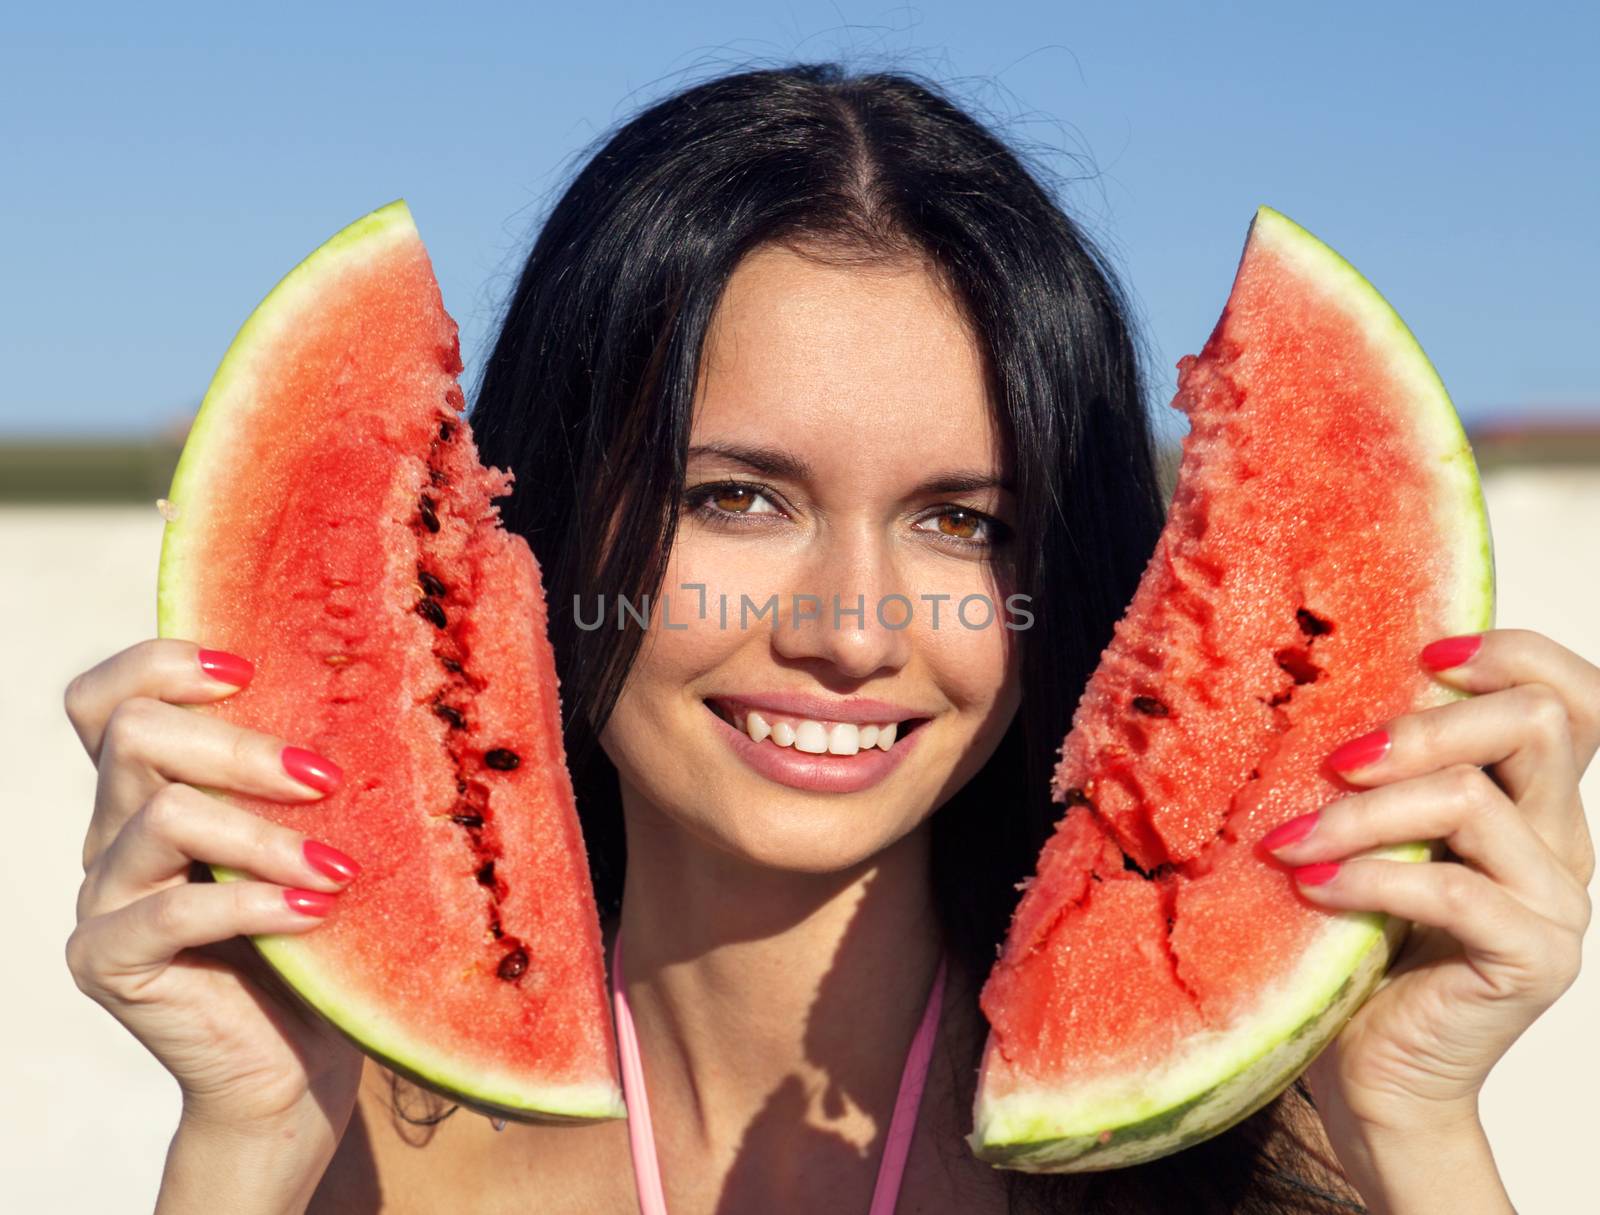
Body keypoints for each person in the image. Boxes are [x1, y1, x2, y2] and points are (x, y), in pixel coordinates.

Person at [63, 64, 1595, 1215]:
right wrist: (245, 1146)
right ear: (500, 533)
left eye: (964, 525)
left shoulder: (1286, 1154)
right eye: (734, 498)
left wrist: (1414, 1126)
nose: (853, 634)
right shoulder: (335, 1158)